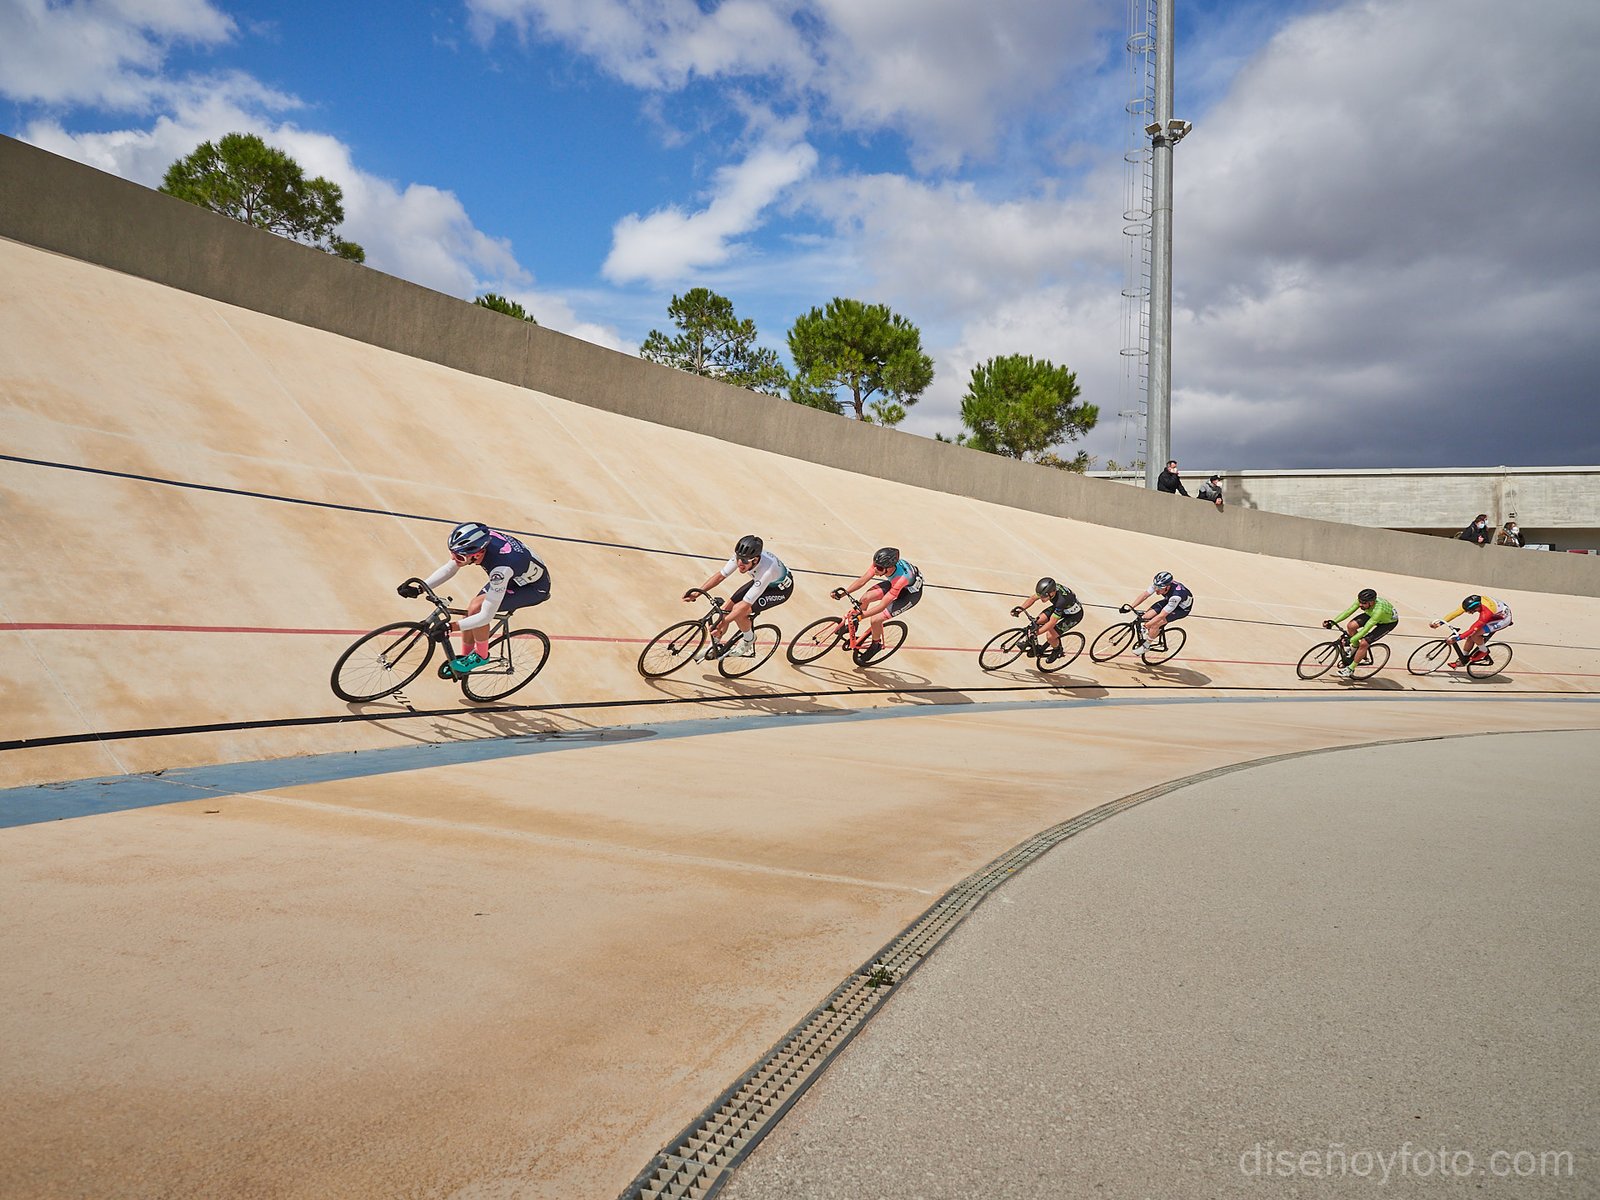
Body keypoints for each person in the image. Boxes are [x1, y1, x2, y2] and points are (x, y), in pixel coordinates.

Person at [398, 522, 550, 674]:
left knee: (477, 609)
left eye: (458, 556)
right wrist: (420, 588)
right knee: (470, 614)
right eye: (452, 553)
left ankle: (481, 656)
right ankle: (465, 659)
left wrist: (450, 627)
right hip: (515, 573)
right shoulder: (478, 542)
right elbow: (451, 567)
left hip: (532, 588)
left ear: (477, 554)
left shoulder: (500, 570)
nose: (453, 558)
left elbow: (485, 616)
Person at [684, 534, 793, 660]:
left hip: (779, 590)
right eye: (738, 558)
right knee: (725, 609)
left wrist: (722, 623)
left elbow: (744, 605)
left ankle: (749, 639)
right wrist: (698, 593)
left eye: (745, 561)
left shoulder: (767, 571)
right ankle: (712, 648)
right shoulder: (743, 557)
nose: (740, 563)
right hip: (763, 582)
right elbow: (720, 576)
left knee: (740, 612)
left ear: (755, 560)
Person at [832, 547, 924, 652]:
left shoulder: (901, 579)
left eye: (879, 568)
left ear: (889, 568)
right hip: (895, 584)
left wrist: (861, 616)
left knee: (876, 619)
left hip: (909, 595)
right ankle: (855, 624)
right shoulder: (881, 564)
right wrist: (843, 594)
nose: (875, 570)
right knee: (865, 598)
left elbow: (882, 606)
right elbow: (862, 581)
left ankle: (876, 645)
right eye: (874, 565)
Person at [1322, 587, 1399, 678]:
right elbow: (1348, 611)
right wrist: (1333, 622)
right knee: (1351, 626)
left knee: (1364, 643)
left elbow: (1365, 629)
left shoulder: (1379, 611)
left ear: (1371, 602)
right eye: (1360, 602)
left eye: (1364, 603)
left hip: (1387, 623)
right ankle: (1355, 648)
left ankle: (1350, 669)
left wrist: (1350, 640)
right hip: (1372, 614)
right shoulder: (1363, 601)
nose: (1361, 605)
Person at [1011, 577, 1084, 662]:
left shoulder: (1061, 601)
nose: (1041, 598)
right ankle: (1031, 643)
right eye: (1040, 596)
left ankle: (1057, 650)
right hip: (1062, 609)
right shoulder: (1046, 590)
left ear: (1052, 593)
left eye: (1044, 597)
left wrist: (1036, 633)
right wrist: (1019, 610)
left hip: (1073, 616)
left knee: (1050, 636)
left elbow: (1051, 623)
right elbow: (1032, 599)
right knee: (1037, 621)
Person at [1124, 570, 1194, 658]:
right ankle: (1153, 632)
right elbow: (1145, 595)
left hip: (1181, 609)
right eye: (1156, 587)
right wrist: (1131, 606)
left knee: (1155, 624)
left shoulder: (1176, 596)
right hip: (1169, 601)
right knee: (1145, 617)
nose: (1156, 589)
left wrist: (1147, 626)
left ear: (1167, 587)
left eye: (1160, 588)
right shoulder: (1159, 584)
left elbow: (1162, 615)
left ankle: (1146, 645)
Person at [1430, 593, 1513, 667]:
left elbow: (1473, 629)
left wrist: (1457, 638)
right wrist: (1440, 623)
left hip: (1503, 619)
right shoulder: (1472, 603)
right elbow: (1455, 613)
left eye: (1470, 611)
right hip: (1495, 613)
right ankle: (1463, 659)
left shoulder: (1485, 613)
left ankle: (1484, 651)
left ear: (1477, 607)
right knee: (1470, 637)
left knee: (1475, 634)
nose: (1469, 613)